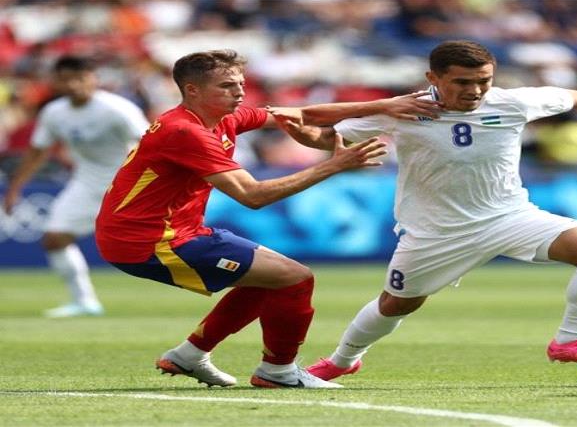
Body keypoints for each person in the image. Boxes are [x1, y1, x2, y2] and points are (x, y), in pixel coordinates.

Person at [278, 40, 577, 382]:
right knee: (395, 304)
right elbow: (326, 137)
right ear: (433, 78)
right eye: (462, 82)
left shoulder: (512, 102)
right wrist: (300, 132)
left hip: (509, 216)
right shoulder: (403, 110)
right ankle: (343, 360)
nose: (475, 90)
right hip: (435, 232)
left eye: (483, 81)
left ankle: (569, 341)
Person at [94, 49, 442, 389]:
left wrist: (384, 105)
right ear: (192, 90)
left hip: (174, 230)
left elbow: (302, 114)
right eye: (227, 86)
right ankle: (278, 371)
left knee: (271, 278)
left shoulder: (224, 118)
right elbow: (253, 195)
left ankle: (189, 355)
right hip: (147, 241)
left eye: (241, 84)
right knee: (295, 278)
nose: (239, 92)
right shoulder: (185, 132)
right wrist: (334, 166)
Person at [3, 56, 150, 318]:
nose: (73, 85)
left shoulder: (118, 109)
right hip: (86, 183)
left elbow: (152, 143)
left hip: (127, 186)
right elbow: (37, 151)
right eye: (66, 79)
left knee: (158, 245)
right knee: (55, 238)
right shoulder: (54, 112)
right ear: (56, 82)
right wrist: (15, 188)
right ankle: (84, 302)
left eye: (79, 78)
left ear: (94, 78)